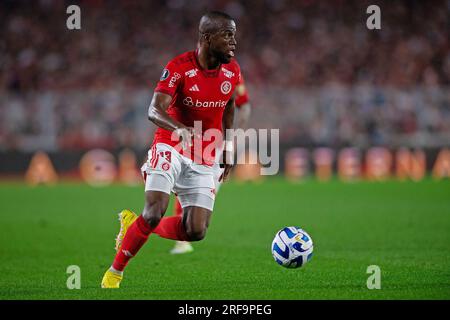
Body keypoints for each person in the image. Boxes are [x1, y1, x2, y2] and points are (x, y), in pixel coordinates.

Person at [101, 11, 241, 288]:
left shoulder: (233, 70)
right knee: (154, 212)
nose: (233, 41)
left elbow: (229, 106)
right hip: (170, 146)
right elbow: (154, 109)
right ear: (206, 37)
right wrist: (179, 128)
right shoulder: (179, 67)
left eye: (234, 34)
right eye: (227, 34)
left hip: (205, 153)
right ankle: (115, 272)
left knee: (195, 231)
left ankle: (135, 227)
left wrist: (227, 146)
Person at [170, 74, 251, 254]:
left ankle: (178, 231)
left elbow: (244, 106)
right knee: (187, 186)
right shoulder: (192, 70)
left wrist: (235, 138)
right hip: (197, 139)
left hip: (219, 144)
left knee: (207, 196)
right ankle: (181, 240)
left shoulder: (232, 73)